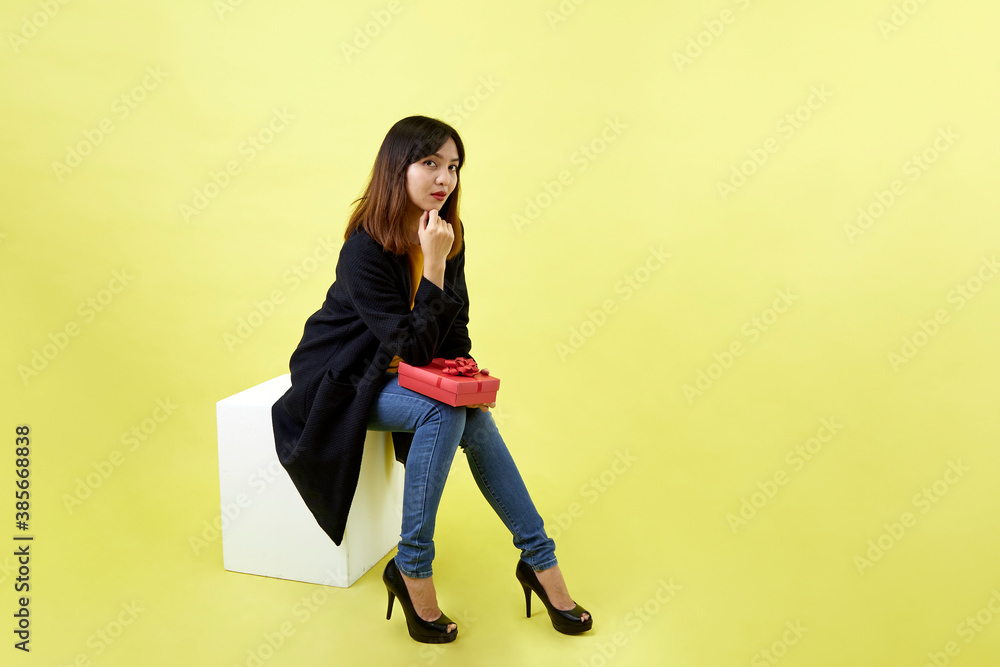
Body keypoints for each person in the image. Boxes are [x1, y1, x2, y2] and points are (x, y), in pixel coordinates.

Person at [271, 115, 592, 643]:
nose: (445, 178)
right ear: (397, 168)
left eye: (454, 167)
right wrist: (435, 265)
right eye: (430, 163)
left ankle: (539, 559)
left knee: (471, 417)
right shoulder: (365, 248)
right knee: (440, 411)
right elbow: (413, 345)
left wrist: (466, 378)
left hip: (398, 374)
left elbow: (453, 328)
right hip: (344, 379)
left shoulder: (446, 234)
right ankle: (413, 566)